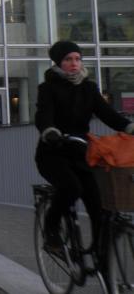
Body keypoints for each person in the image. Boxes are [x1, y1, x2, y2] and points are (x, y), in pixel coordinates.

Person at [35, 40, 134, 255]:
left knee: (99, 204)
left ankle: (100, 257)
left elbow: (107, 114)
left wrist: (129, 127)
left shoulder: (89, 88)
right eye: (68, 59)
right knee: (71, 188)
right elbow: (44, 115)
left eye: (78, 59)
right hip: (53, 153)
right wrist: (49, 131)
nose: (74, 63)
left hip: (81, 154)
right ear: (58, 62)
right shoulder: (48, 88)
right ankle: (51, 230)